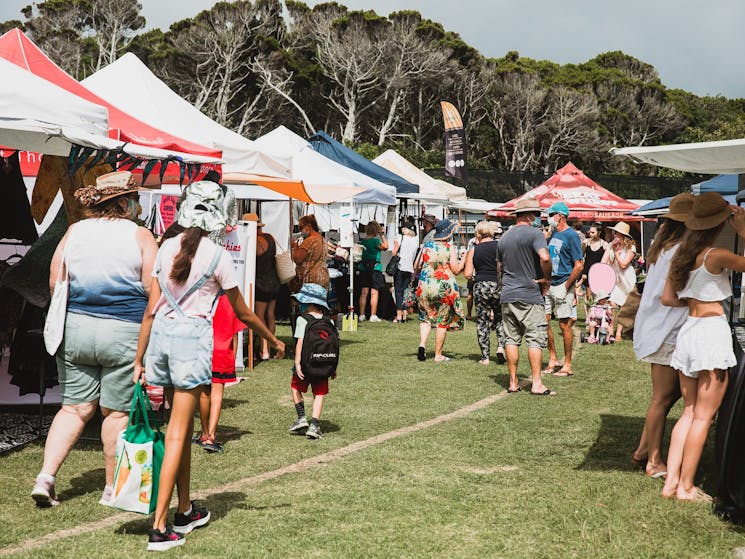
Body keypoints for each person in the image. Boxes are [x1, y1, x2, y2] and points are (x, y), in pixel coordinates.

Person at [133, 181, 285, 551]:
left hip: (162, 343)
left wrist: (138, 359)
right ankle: (160, 525)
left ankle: (185, 509)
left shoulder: (167, 245)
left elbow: (151, 311)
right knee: (176, 434)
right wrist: (274, 339)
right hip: (189, 343)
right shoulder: (217, 255)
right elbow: (244, 312)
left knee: (179, 432)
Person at [31, 171, 158, 508]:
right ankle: (111, 487)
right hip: (124, 331)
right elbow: (152, 289)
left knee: (73, 408)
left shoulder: (75, 231)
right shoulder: (141, 236)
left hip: (75, 329)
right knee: (115, 414)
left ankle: (45, 477)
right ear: (127, 203)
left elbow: (55, 280)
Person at [660, 192, 742, 502]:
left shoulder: (681, 254)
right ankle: (686, 486)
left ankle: (671, 483)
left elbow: (668, 298)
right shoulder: (716, 255)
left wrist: (696, 296)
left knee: (689, 412)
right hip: (711, 332)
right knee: (703, 417)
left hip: (689, 331)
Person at [631, 193, 693, 479]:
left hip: (659, 329)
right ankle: (654, 460)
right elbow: (671, 297)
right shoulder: (681, 249)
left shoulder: (660, 248)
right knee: (663, 398)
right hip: (668, 330)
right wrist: (700, 301)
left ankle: (645, 450)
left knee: (666, 398)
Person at [497, 198, 554, 395]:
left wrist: (502, 288)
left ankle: (513, 383)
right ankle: (537, 384)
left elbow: (500, 267)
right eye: (537, 215)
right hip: (529, 293)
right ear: (530, 215)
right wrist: (547, 279)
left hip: (508, 293)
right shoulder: (535, 233)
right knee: (534, 339)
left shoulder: (504, 237)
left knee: (511, 339)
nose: (538, 218)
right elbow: (545, 257)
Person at [194, 293, 246, 453]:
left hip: (202, 349)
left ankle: (204, 433)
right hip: (223, 352)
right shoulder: (232, 298)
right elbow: (236, 332)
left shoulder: (200, 296)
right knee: (217, 394)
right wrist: (233, 357)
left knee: (204, 393)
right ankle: (211, 436)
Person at [288, 283, 337, 440]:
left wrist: (297, 364)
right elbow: (334, 345)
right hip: (324, 364)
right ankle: (314, 425)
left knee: (296, 388)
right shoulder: (329, 322)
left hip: (305, 363)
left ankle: (301, 417)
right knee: (319, 394)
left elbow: (300, 343)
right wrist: (333, 367)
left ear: (307, 302)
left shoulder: (303, 320)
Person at [414, 219, 464, 362]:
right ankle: (438, 355)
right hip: (443, 286)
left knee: (425, 317)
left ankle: (422, 345)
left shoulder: (426, 246)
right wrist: (464, 260)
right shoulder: (449, 247)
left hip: (424, 285)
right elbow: (455, 269)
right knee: (442, 319)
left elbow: (416, 265)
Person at [544, 202, 583, 377]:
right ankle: (553, 358)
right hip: (549, 284)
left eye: (552, 214)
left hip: (562, 284)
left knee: (564, 324)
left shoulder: (571, 235)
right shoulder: (553, 233)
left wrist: (567, 286)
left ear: (560, 216)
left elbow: (579, 265)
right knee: (543, 322)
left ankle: (567, 364)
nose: (549, 217)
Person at [464, 221, 504, 365]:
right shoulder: (500, 246)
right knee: (500, 318)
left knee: (482, 322)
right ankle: (501, 346)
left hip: (481, 285)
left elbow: (468, 273)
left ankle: (485, 357)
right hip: (499, 285)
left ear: (478, 233)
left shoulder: (474, 249)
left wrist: (476, 278)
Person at [602, 221, 637, 341]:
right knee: (612, 303)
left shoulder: (630, 248)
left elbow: (623, 265)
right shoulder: (611, 246)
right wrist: (610, 248)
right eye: (614, 232)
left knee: (624, 306)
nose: (614, 234)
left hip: (627, 278)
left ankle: (619, 333)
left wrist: (616, 254)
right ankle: (611, 329)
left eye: (616, 232)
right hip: (616, 278)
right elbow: (603, 263)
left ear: (623, 235)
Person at [253, 215, 280, 360]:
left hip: (260, 283)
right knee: (271, 315)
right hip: (274, 281)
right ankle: (270, 346)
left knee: (259, 317)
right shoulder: (270, 238)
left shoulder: (253, 242)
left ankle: (264, 350)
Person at [358, 220, 388, 322]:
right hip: (375, 268)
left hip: (364, 268)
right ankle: (373, 315)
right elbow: (386, 247)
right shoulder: (376, 241)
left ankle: (362, 314)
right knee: (374, 292)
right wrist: (382, 235)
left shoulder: (363, 241)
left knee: (364, 292)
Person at [292, 214, 329, 290]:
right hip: (323, 278)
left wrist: (294, 246)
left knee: (309, 301)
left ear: (309, 226)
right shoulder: (322, 239)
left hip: (310, 280)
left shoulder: (310, 240)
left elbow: (297, 259)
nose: (300, 230)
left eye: (301, 227)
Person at [391, 222, 418, 323]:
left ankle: (398, 315)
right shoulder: (415, 241)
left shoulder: (400, 238)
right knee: (406, 291)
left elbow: (394, 252)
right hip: (409, 268)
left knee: (398, 291)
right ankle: (405, 315)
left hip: (400, 267)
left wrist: (395, 246)